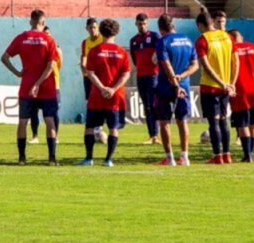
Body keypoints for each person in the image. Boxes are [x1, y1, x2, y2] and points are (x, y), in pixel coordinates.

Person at [2, 9, 59, 165]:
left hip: (26, 85)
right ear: (43, 22)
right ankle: (52, 158)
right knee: (49, 121)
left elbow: (4, 57)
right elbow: (50, 66)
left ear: (30, 21)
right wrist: (38, 84)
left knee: (22, 122)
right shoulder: (49, 40)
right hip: (46, 87)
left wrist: (18, 73)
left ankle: (22, 158)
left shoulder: (22, 38)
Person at [78, 19, 130, 167]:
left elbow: (90, 73)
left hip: (97, 96)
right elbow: (125, 74)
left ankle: (89, 158)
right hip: (115, 96)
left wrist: (101, 88)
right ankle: (108, 160)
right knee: (113, 128)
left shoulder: (95, 51)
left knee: (89, 127)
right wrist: (112, 89)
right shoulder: (122, 52)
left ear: (101, 31)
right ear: (116, 32)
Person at [154, 13, 198, 166]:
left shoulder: (162, 42)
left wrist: (175, 84)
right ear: (173, 25)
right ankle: (185, 157)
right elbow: (195, 65)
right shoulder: (187, 40)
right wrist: (181, 77)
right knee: (182, 121)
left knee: (164, 121)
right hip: (184, 87)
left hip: (167, 87)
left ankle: (170, 158)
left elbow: (167, 67)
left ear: (160, 28)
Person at [196, 11, 237, 164]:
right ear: (212, 22)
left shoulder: (202, 40)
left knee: (213, 123)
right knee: (223, 121)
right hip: (226, 87)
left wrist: (220, 83)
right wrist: (231, 83)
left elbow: (206, 66)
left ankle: (217, 155)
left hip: (210, 86)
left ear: (200, 25)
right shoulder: (227, 37)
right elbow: (236, 62)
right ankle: (227, 154)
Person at [229, 29, 254, 163]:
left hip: (240, 90)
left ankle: (247, 155)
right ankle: (251, 152)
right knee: (253, 124)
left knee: (242, 124)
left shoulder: (231, 50)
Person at [129, 13, 160, 145]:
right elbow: (135, 60)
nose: (142, 26)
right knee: (147, 106)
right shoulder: (133, 40)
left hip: (153, 76)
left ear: (147, 24)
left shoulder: (154, 37)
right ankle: (151, 135)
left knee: (154, 105)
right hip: (141, 76)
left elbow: (160, 53)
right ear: (136, 24)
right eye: (140, 24)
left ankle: (157, 135)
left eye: (144, 24)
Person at [29, 25, 63, 142]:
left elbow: (58, 65)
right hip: (37, 85)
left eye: (49, 33)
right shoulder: (38, 49)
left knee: (54, 113)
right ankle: (35, 136)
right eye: (45, 33)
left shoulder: (57, 49)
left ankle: (55, 136)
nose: (47, 35)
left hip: (53, 86)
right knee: (34, 111)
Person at [80, 17, 105, 143]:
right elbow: (83, 58)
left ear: (98, 28)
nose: (93, 30)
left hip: (100, 78)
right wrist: (84, 67)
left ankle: (98, 129)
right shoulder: (85, 43)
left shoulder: (103, 40)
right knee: (90, 103)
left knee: (101, 103)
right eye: (90, 28)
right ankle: (94, 129)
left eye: (95, 27)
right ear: (86, 29)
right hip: (88, 78)